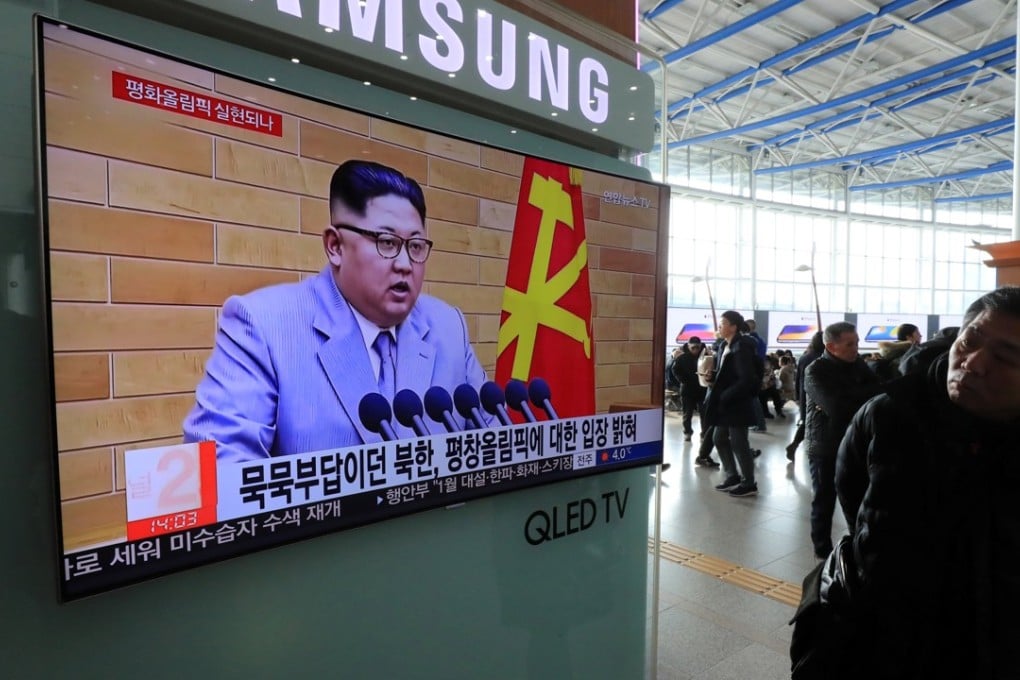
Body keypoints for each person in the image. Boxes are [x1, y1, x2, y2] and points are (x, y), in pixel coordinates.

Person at [184, 159, 488, 462]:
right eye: (387, 242)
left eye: (416, 246)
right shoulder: (262, 325)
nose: (405, 264)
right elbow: (220, 467)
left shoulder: (448, 326)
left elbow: (495, 442)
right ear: (335, 246)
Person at [792, 288, 1020, 678]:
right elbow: (853, 493)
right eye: (969, 342)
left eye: (1005, 356)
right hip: (887, 632)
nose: (974, 363)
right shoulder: (891, 415)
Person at [802, 322, 880, 558]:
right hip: (825, 445)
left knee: (859, 497)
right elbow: (837, 407)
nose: (856, 348)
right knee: (824, 499)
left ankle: (859, 544)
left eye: (856, 343)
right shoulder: (815, 370)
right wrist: (859, 397)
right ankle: (822, 550)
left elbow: (878, 393)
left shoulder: (858, 365)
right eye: (849, 344)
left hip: (857, 443)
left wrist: (851, 397)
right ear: (831, 346)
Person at [702, 311, 760, 497]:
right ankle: (732, 475)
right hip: (725, 402)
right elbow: (727, 372)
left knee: (739, 442)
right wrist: (713, 376)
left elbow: (746, 378)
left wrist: (726, 395)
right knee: (718, 438)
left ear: (734, 326)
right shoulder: (723, 346)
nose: (719, 327)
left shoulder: (742, 346)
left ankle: (749, 482)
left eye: (723, 323)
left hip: (737, 402)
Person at [786, 331, 824, 462]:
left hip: (804, 394)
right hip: (818, 395)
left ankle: (795, 445)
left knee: (807, 421)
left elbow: (798, 379)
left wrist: (797, 395)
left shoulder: (805, 357)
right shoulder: (823, 358)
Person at [675, 337, 707, 441]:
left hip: (702, 389)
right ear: (688, 346)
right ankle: (687, 432)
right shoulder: (682, 358)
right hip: (687, 389)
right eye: (693, 347)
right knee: (687, 414)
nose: (695, 350)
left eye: (697, 347)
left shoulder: (705, 357)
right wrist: (683, 380)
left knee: (704, 413)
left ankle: (704, 433)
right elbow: (675, 370)